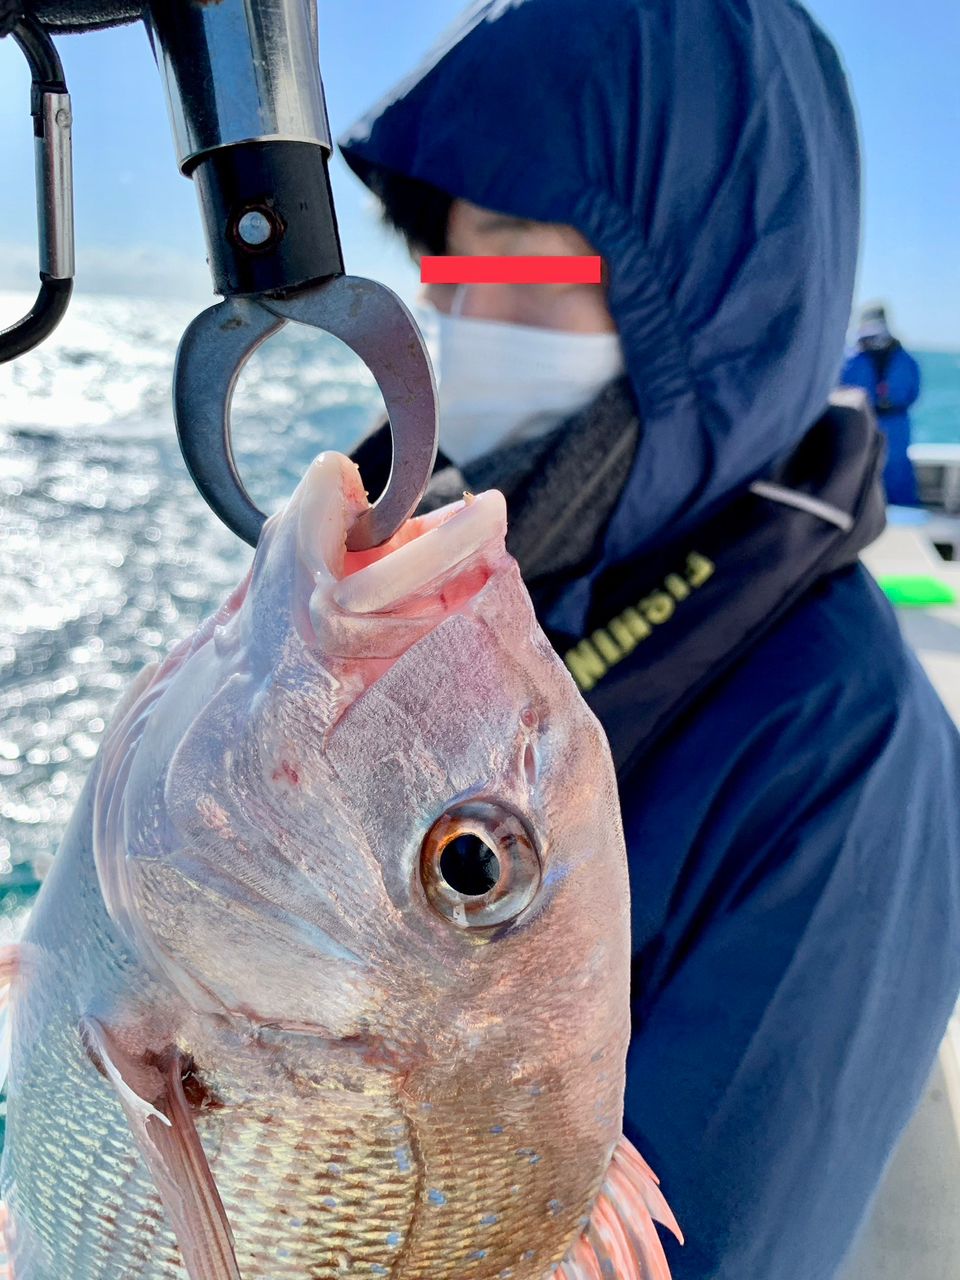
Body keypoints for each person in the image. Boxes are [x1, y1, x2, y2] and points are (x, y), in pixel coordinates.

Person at [338, 2, 960, 1278]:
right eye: (452, 268)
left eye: (518, 250)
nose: (466, 314)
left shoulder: (848, 748)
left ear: (713, 285)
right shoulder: (471, 596)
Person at [841, 304, 923, 506]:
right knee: (857, 469)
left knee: (895, 473)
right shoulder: (855, 358)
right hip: (864, 422)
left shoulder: (901, 359)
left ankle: (902, 518)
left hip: (890, 424)